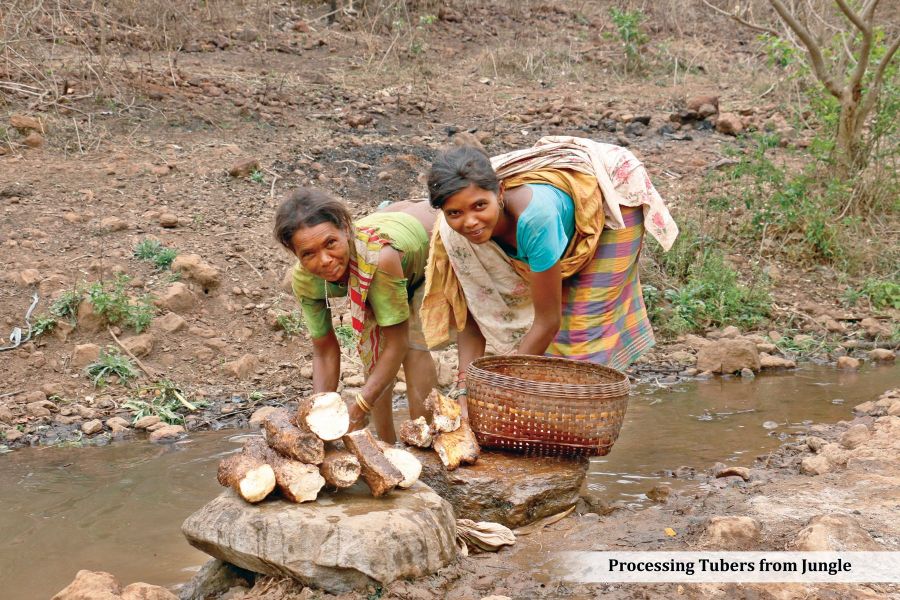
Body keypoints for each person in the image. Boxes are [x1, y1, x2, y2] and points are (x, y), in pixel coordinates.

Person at [420, 136, 679, 415]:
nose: (470, 221)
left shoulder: (536, 221)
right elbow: (472, 319)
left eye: (480, 206)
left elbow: (547, 321)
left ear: (500, 192)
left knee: (581, 332)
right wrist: (464, 392)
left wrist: (505, 393)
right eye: (455, 213)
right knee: (550, 344)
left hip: (613, 199)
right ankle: (551, 414)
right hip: (558, 223)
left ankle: (581, 422)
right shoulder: (454, 236)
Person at [274, 187, 439, 443]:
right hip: (392, 222)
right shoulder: (305, 279)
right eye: (308, 253)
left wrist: (360, 407)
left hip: (424, 244)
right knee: (374, 352)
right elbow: (324, 350)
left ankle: (426, 441)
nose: (324, 260)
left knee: (414, 347)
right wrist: (318, 412)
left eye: (330, 243)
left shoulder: (379, 259)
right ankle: (385, 445)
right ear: (295, 253)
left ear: (346, 230)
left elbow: (397, 343)